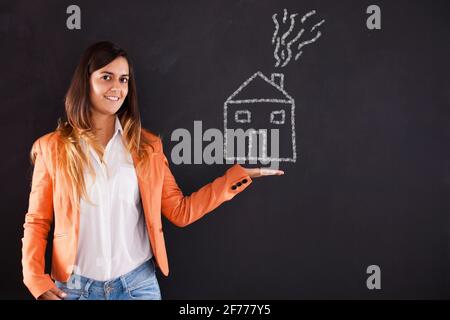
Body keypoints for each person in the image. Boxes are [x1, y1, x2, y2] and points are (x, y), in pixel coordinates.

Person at [21, 41, 284, 300]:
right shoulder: (52, 148)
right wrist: (34, 279)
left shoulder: (147, 146)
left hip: (136, 287)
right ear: (86, 81)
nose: (117, 87)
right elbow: (37, 221)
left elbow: (180, 211)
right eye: (106, 77)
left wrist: (236, 178)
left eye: (124, 79)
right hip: (75, 289)